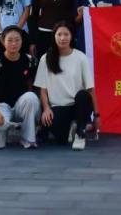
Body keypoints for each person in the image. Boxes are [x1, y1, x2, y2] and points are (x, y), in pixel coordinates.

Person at [34, 22, 96, 150]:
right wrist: (46, 108)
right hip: (58, 107)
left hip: (77, 105)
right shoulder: (46, 58)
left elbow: (90, 88)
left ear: (71, 36)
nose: (63, 38)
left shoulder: (80, 57)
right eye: (59, 34)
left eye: (66, 34)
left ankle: (80, 133)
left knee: (83, 96)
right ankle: (69, 127)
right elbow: (42, 89)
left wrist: (97, 115)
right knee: (60, 139)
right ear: (54, 36)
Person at [0, 27, 41, 149]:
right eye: (10, 40)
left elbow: (31, 86)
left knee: (31, 98)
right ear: (3, 41)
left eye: (17, 40)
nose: (14, 43)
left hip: (19, 105)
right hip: (1, 105)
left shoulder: (29, 60)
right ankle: (6, 129)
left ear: (22, 41)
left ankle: (28, 138)